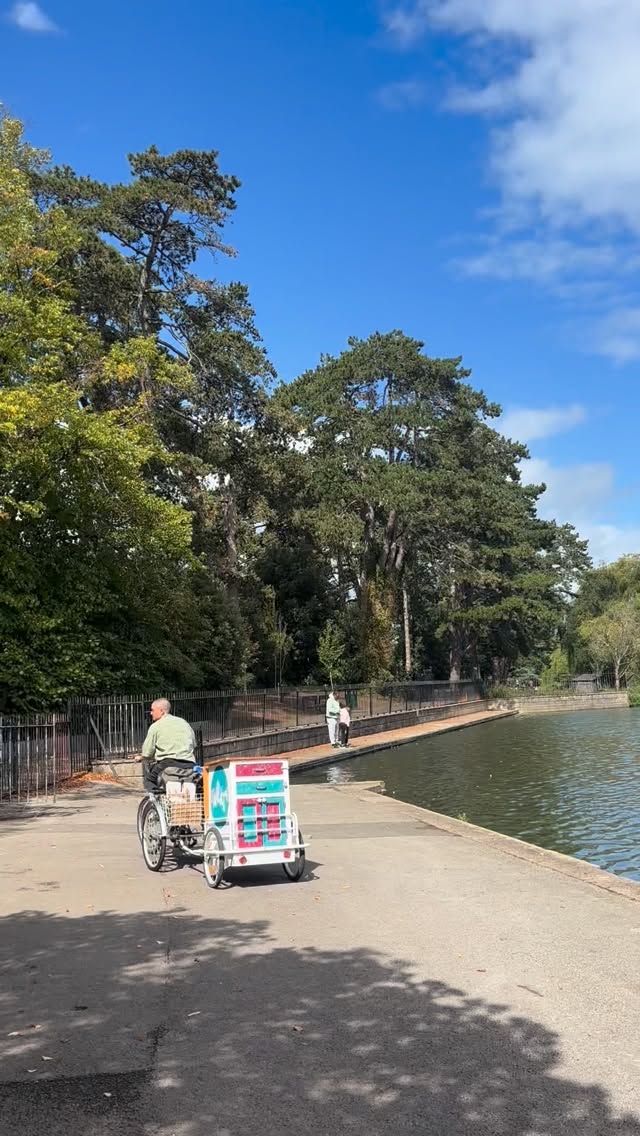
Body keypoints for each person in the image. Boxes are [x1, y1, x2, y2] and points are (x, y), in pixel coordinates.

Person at [138, 698, 197, 791]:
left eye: (152, 710)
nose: (151, 713)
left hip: (167, 764)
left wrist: (142, 757)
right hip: (189, 764)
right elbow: (194, 744)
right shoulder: (184, 722)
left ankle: (155, 798)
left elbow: (147, 753)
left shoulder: (155, 726)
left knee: (149, 780)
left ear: (161, 711)